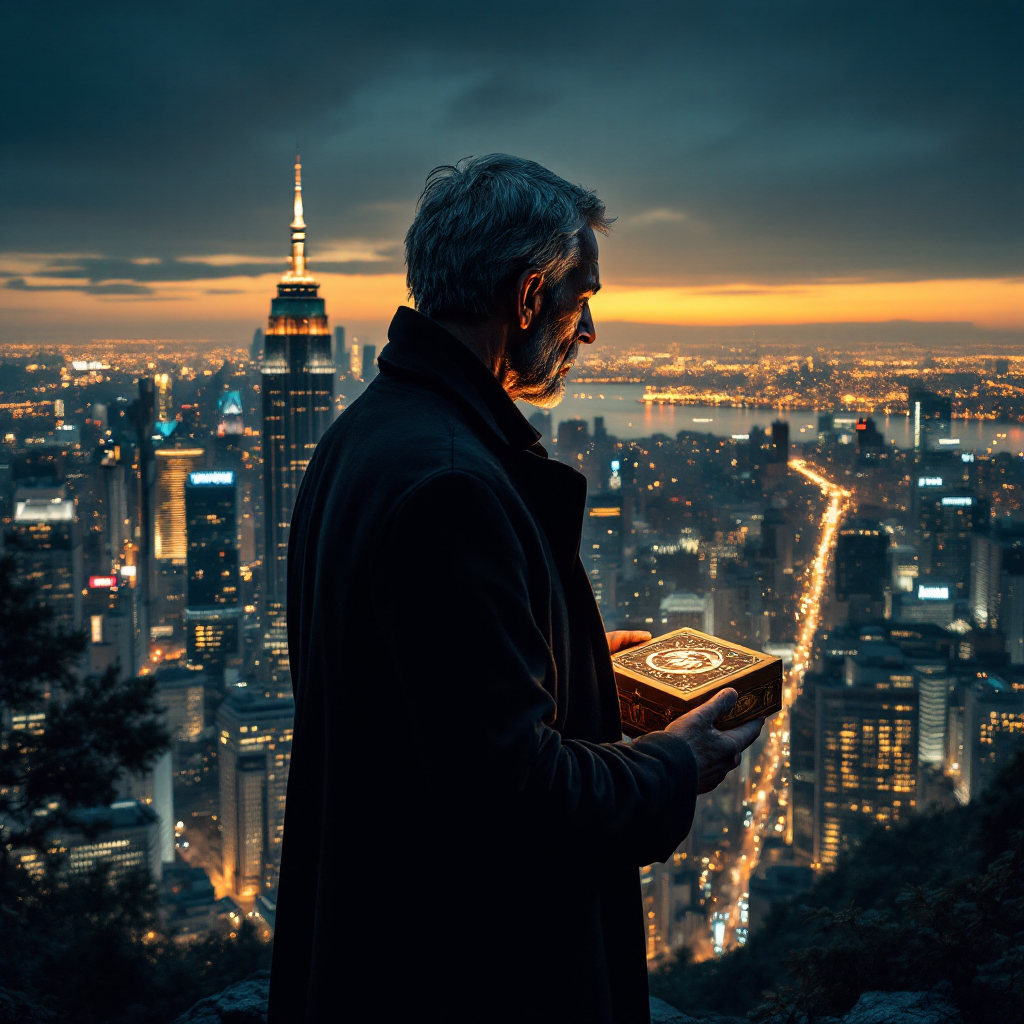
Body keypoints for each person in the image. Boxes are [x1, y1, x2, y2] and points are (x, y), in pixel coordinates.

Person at [269, 154, 763, 1024]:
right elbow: (511, 794)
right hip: (465, 971)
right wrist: (673, 768)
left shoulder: (367, 434)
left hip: (381, 935)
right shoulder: (452, 483)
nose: (591, 331)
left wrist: (568, 663)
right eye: (587, 299)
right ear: (531, 296)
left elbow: (414, 700)